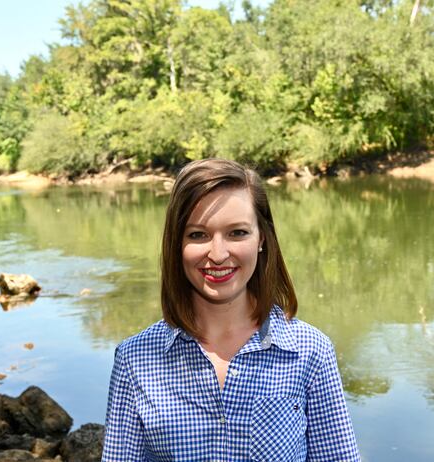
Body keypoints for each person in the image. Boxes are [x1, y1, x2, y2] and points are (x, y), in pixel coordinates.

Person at [101, 158, 360, 461]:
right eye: (198, 234)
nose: (218, 254)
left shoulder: (310, 351)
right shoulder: (136, 359)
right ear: (177, 244)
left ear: (262, 238)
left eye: (237, 233)